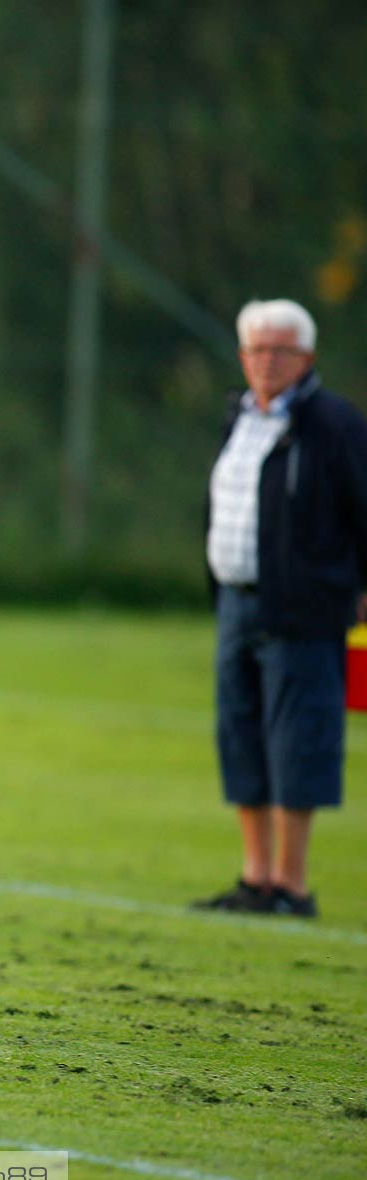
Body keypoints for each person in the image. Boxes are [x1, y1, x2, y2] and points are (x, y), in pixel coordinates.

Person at [194, 298, 367, 918]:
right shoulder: (238, 419)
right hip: (237, 604)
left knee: (299, 740)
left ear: (307, 358)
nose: (267, 361)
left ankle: (292, 884)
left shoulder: (334, 426)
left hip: (305, 610)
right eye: (257, 350)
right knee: (241, 734)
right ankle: (256, 877)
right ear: (242, 356)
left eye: (281, 350)